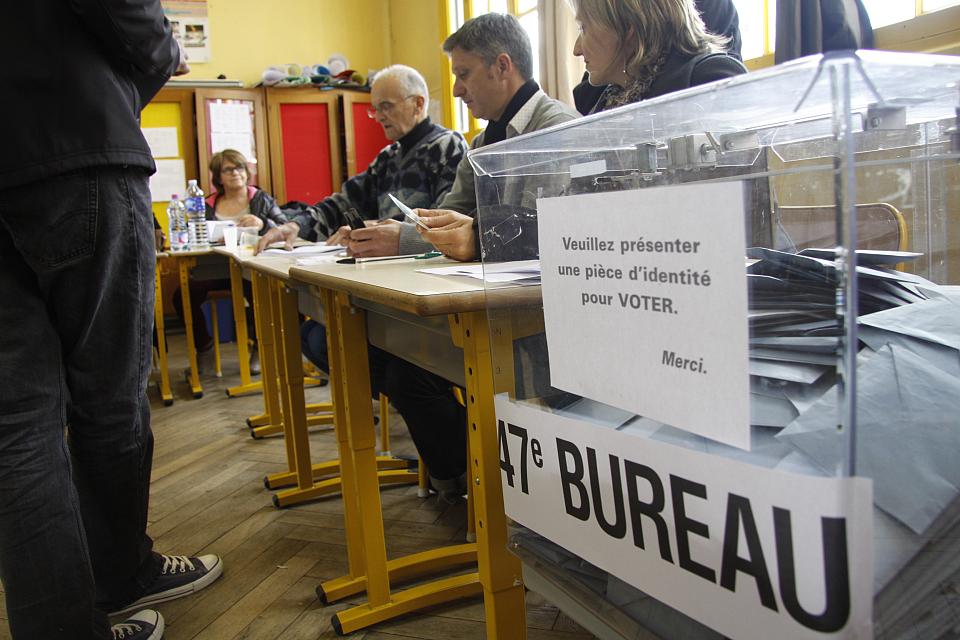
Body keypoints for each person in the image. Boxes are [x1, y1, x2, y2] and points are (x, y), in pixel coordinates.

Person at [0, 2, 222, 639]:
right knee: (110, 403)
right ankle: (123, 573)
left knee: (17, 428)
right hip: (76, 145)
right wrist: (158, 56)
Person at [384, 13, 579, 500]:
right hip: (491, 308)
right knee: (398, 360)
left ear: (502, 66)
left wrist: (466, 236)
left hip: (542, 320)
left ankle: (501, 492)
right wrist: (416, 232)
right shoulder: (482, 142)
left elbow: (547, 229)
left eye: (463, 73)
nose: (455, 91)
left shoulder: (557, 128)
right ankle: (467, 480)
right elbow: (449, 218)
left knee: (412, 363)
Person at [255, 64, 468, 384]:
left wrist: (379, 228)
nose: (379, 115)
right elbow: (343, 202)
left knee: (338, 343)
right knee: (315, 335)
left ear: (418, 104)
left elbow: (444, 220)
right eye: (375, 109)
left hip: (425, 287)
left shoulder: (446, 147)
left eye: (386, 106)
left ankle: (415, 398)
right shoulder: (387, 158)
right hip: (385, 282)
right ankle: (403, 398)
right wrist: (296, 226)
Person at [172, 149, 286, 375]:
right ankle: (204, 348)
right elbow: (191, 234)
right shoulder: (205, 204)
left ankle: (259, 347)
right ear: (218, 177)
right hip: (214, 268)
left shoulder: (261, 199)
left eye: (239, 167)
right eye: (228, 169)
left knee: (256, 290)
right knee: (182, 294)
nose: (235, 173)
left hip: (252, 267)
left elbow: (285, 227)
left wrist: (262, 222)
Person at [572, 0, 743, 114]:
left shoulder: (710, 77)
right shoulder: (605, 101)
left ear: (627, 28)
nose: (576, 50)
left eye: (583, 28)